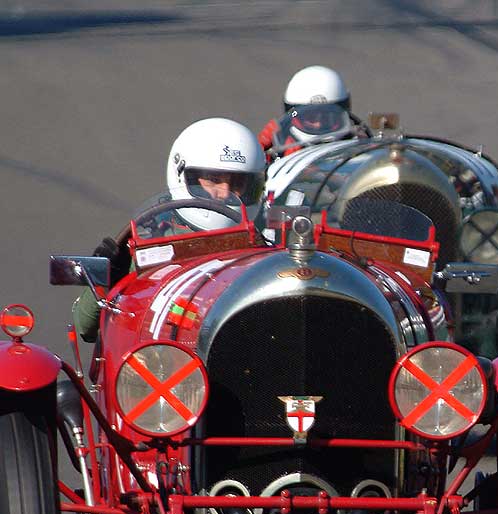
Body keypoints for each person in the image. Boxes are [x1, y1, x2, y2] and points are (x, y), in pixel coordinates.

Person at [73, 118, 266, 342]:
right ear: (182, 174)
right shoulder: (149, 236)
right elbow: (85, 327)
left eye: (237, 183)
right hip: (158, 355)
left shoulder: (261, 241)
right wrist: (107, 277)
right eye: (213, 180)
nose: (224, 193)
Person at [258, 65, 367, 155]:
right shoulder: (280, 146)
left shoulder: (357, 143)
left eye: (327, 117)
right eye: (310, 117)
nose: (318, 124)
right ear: (293, 116)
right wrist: (259, 151)